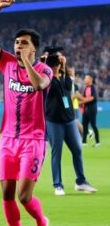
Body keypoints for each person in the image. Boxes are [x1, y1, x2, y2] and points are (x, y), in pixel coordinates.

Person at [0, 0, 51, 226]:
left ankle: (41, 221)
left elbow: (39, 85)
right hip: (8, 139)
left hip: (33, 141)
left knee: (23, 196)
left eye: (24, 43)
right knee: (7, 195)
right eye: (17, 43)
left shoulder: (43, 68)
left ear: (34, 48)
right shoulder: (6, 63)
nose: (18, 47)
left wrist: (28, 62)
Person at [42, 48, 97, 196]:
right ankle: (58, 185)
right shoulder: (46, 78)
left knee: (77, 150)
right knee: (56, 153)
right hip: (54, 121)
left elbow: (67, 86)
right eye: (59, 59)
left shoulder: (65, 77)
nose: (61, 60)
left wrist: (64, 67)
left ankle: (81, 182)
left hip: (69, 120)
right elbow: (45, 84)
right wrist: (43, 62)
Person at [77, 73, 100, 147]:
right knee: (84, 125)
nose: (84, 79)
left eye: (86, 78)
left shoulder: (93, 88)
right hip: (85, 109)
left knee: (93, 125)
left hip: (92, 109)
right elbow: (83, 97)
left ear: (90, 79)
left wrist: (81, 101)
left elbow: (92, 98)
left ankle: (97, 142)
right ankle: (84, 142)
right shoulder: (85, 88)